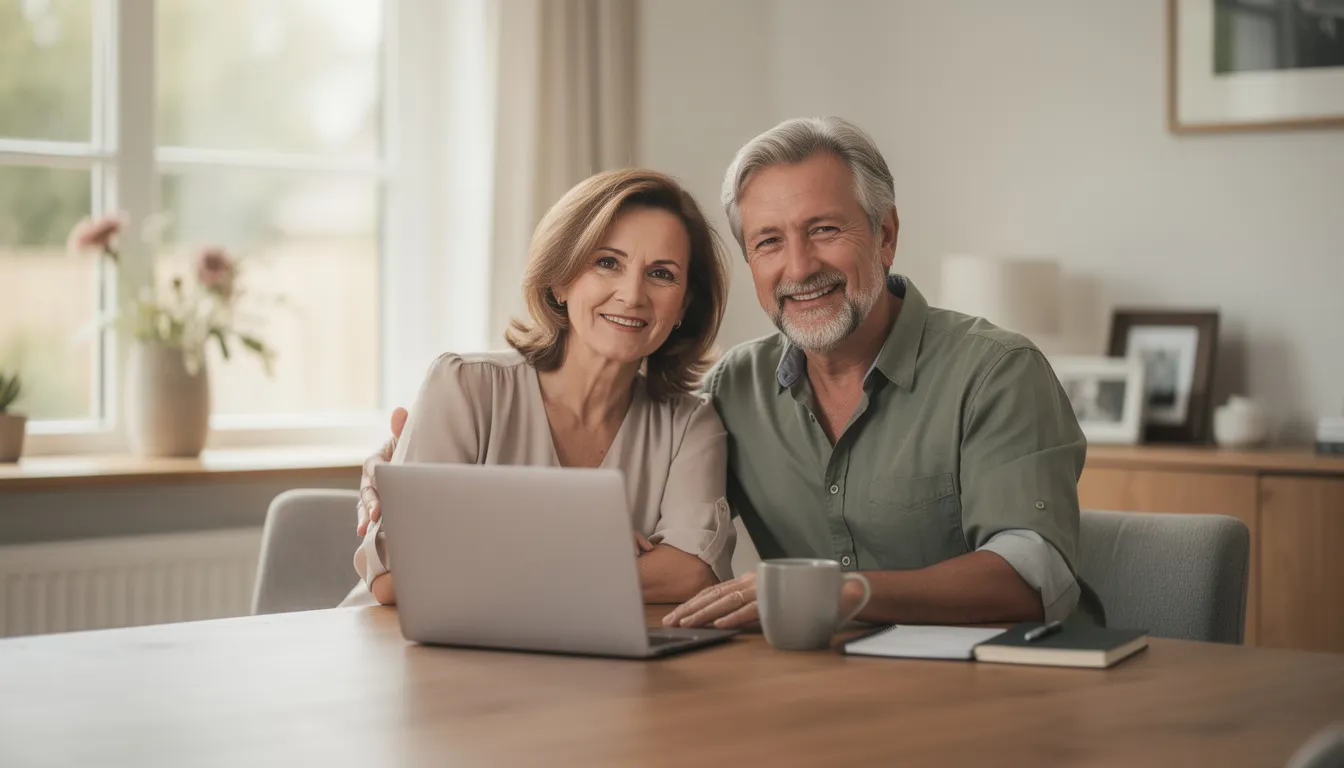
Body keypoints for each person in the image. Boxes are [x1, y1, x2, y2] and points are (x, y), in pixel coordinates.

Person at [361, 117, 1103, 630]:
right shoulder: (732, 394)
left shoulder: (996, 373)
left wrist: (836, 593)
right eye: (769, 242)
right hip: (820, 685)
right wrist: (559, 546)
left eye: (824, 230)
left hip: (1003, 683)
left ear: (884, 234)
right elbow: (404, 577)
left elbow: (1030, 575)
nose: (799, 266)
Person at [347, 168, 735, 607]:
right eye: (607, 263)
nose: (632, 295)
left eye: (662, 274)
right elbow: (397, 578)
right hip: (395, 652)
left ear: (683, 304)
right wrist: (571, 537)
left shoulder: (690, 424)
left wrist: (496, 555)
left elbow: (689, 574)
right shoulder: (463, 387)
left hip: (573, 664)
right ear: (560, 279)